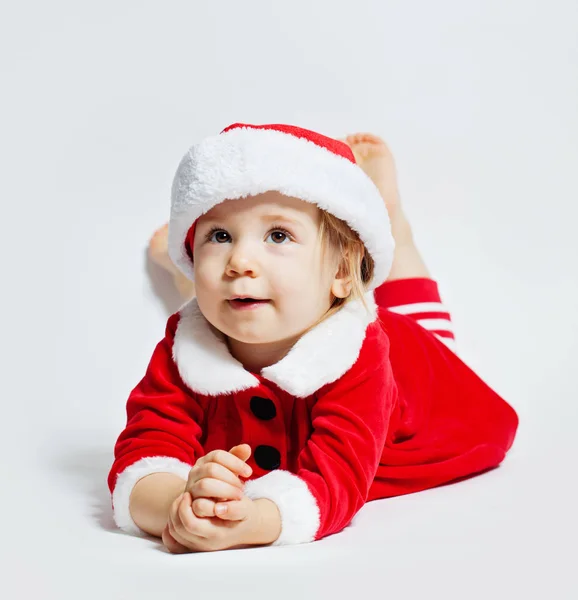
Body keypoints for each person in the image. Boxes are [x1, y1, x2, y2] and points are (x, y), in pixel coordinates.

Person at [108, 123, 519, 553]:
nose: (240, 260)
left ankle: (394, 227)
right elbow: (146, 446)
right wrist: (177, 505)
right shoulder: (184, 347)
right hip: (262, 307)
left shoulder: (358, 356)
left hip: (422, 395)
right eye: (219, 236)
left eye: (278, 235)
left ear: (342, 272)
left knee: (428, 333)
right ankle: (188, 284)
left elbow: (336, 479)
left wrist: (254, 523)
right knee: (236, 298)